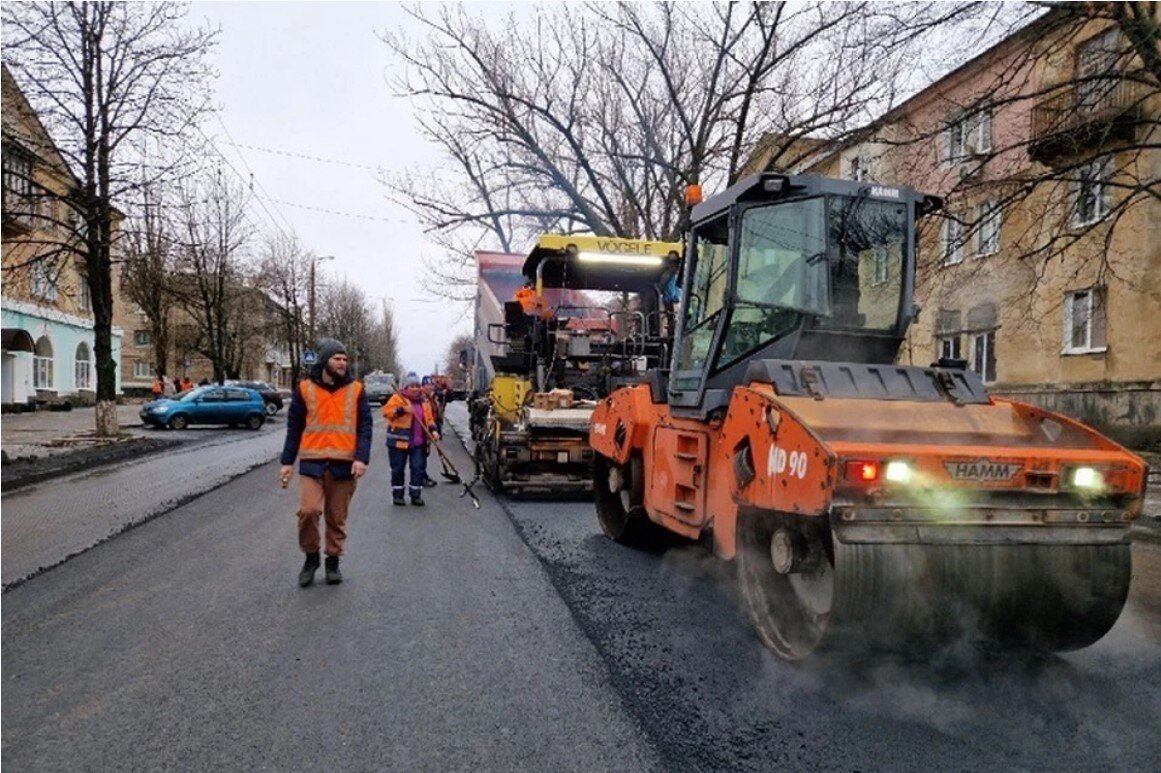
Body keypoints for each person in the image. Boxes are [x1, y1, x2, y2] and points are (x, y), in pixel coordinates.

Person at [279, 338, 372, 587]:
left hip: (344, 464)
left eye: (345, 359)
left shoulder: (357, 390)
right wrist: (287, 461)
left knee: (336, 517)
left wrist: (361, 458)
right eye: (337, 359)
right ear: (324, 361)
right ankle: (311, 558)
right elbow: (294, 427)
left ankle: (333, 561)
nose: (342, 363)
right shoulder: (304, 389)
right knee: (308, 511)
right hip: (313, 463)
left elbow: (365, 426)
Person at [383, 372, 439, 506]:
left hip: (418, 443)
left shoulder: (424, 402)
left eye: (417, 386)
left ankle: (416, 495)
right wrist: (402, 410)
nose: (415, 388)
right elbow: (387, 413)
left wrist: (433, 430)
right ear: (406, 387)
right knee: (397, 469)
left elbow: (429, 419)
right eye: (412, 386)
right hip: (399, 442)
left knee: (418, 468)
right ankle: (398, 495)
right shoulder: (397, 398)